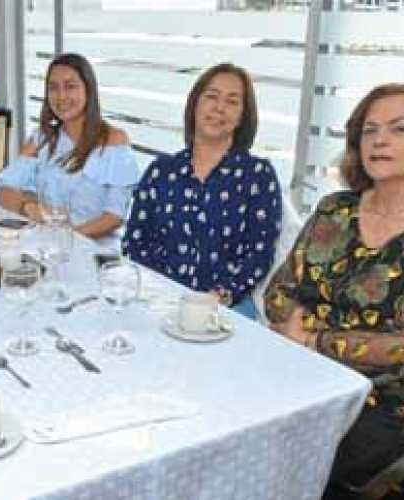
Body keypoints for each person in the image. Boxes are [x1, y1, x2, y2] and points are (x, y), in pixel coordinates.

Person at [264, 83, 404, 498]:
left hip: (383, 403)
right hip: (304, 373)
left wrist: (314, 339)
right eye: (369, 130)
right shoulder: (335, 209)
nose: (379, 140)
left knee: (284, 452)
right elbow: (279, 293)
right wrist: (303, 341)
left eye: (399, 129)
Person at [123, 63, 281, 318]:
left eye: (232, 101)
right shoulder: (161, 170)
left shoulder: (258, 175)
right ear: (195, 104)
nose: (219, 108)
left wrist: (219, 296)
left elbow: (260, 253)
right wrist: (163, 292)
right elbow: (135, 241)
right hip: (160, 301)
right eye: (211, 96)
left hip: (226, 307)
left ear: (243, 116)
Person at [0, 52, 139, 249]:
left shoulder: (113, 140)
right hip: (48, 245)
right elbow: (3, 189)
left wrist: (68, 237)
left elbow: (114, 217)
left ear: (88, 90)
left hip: (94, 250)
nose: (61, 96)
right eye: (53, 88)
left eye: (70, 86)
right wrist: (29, 207)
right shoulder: (41, 138)